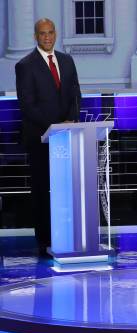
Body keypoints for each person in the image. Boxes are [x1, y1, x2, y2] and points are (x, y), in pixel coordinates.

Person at [15, 18, 81, 257]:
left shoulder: (67, 60)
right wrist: (54, 126)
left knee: (66, 187)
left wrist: (71, 122)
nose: (47, 37)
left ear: (56, 34)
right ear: (36, 36)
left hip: (67, 137)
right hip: (39, 137)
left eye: (51, 32)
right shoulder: (25, 65)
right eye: (42, 33)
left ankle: (67, 235)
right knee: (42, 190)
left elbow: (75, 94)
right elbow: (27, 105)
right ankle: (44, 241)